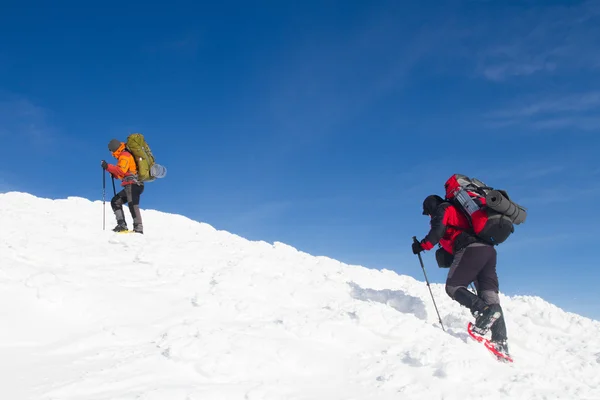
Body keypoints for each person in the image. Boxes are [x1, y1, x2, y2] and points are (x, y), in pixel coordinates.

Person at [412, 194, 510, 356]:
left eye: (428, 213)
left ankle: (484, 312)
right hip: (488, 251)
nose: (429, 216)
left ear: (431, 206)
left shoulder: (443, 209)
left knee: (453, 287)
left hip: (472, 249)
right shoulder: (461, 213)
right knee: (490, 297)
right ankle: (501, 342)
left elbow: (437, 232)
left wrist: (422, 245)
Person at [101, 139, 144, 234]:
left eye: (111, 150)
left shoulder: (124, 155)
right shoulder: (123, 155)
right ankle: (121, 225)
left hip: (133, 184)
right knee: (115, 201)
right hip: (132, 185)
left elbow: (121, 171)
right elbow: (123, 173)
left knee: (133, 205)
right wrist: (113, 173)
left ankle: (138, 228)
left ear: (114, 149)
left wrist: (108, 166)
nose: (111, 153)